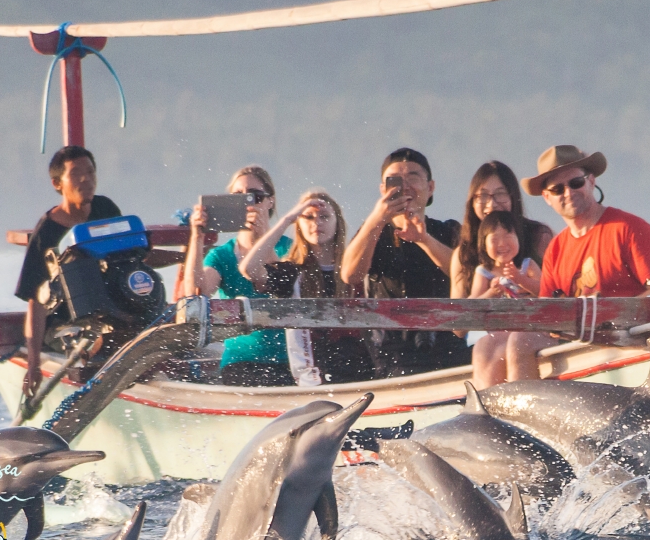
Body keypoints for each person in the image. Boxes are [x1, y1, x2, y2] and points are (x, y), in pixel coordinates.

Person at [476, 145, 650, 385]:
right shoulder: (556, 249)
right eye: (557, 189)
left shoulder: (629, 228)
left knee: (521, 341)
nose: (567, 193)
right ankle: (496, 420)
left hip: (627, 343)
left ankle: (522, 419)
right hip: (574, 344)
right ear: (547, 198)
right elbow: (547, 310)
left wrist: (617, 320)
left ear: (591, 181)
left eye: (575, 183)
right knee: (487, 345)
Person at [341, 147, 470, 377]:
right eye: (395, 180)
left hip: (448, 345)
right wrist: (376, 218)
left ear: (430, 188)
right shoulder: (374, 234)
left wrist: (424, 240)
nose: (405, 186)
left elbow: (466, 274)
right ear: (383, 190)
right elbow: (350, 275)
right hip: (394, 352)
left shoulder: (448, 231)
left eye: (413, 177)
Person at [14, 145, 122, 400]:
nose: (86, 180)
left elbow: (130, 255)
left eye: (90, 172)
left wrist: (185, 253)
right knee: (92, 340)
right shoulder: (47, 233)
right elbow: (36, 302)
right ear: (57, 183)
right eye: (76, 174)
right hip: (65, 323)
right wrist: (32, 364)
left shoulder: (105, 209)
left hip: (107, 310)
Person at [240, 189, 376, 384]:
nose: (316, 223)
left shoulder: (355, 270)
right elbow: (249, 269)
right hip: (312, 380)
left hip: (363, 374)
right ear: (298, 225)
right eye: (308, 217)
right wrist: (286, 220)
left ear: (338, 224)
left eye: (324, 217)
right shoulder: (292, 272)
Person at [176, 165, 295, 387]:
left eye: (255, 196)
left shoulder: (290, 250)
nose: (248, 204)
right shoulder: (222, 255)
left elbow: (276, 283)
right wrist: (197, 236)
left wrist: (262, 236)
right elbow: (195, 292)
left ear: (270, 202)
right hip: (241, 359)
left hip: (289, 358)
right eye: (238, 197)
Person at [449, 161, 553, 299]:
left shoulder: (538, 236)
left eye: (501, 194)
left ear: (513, 198)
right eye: (483, 195)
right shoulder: (464, 253)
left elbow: (556, 292)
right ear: (472, 202)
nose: (492, 204)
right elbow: (459, 309)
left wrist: (525, 282)